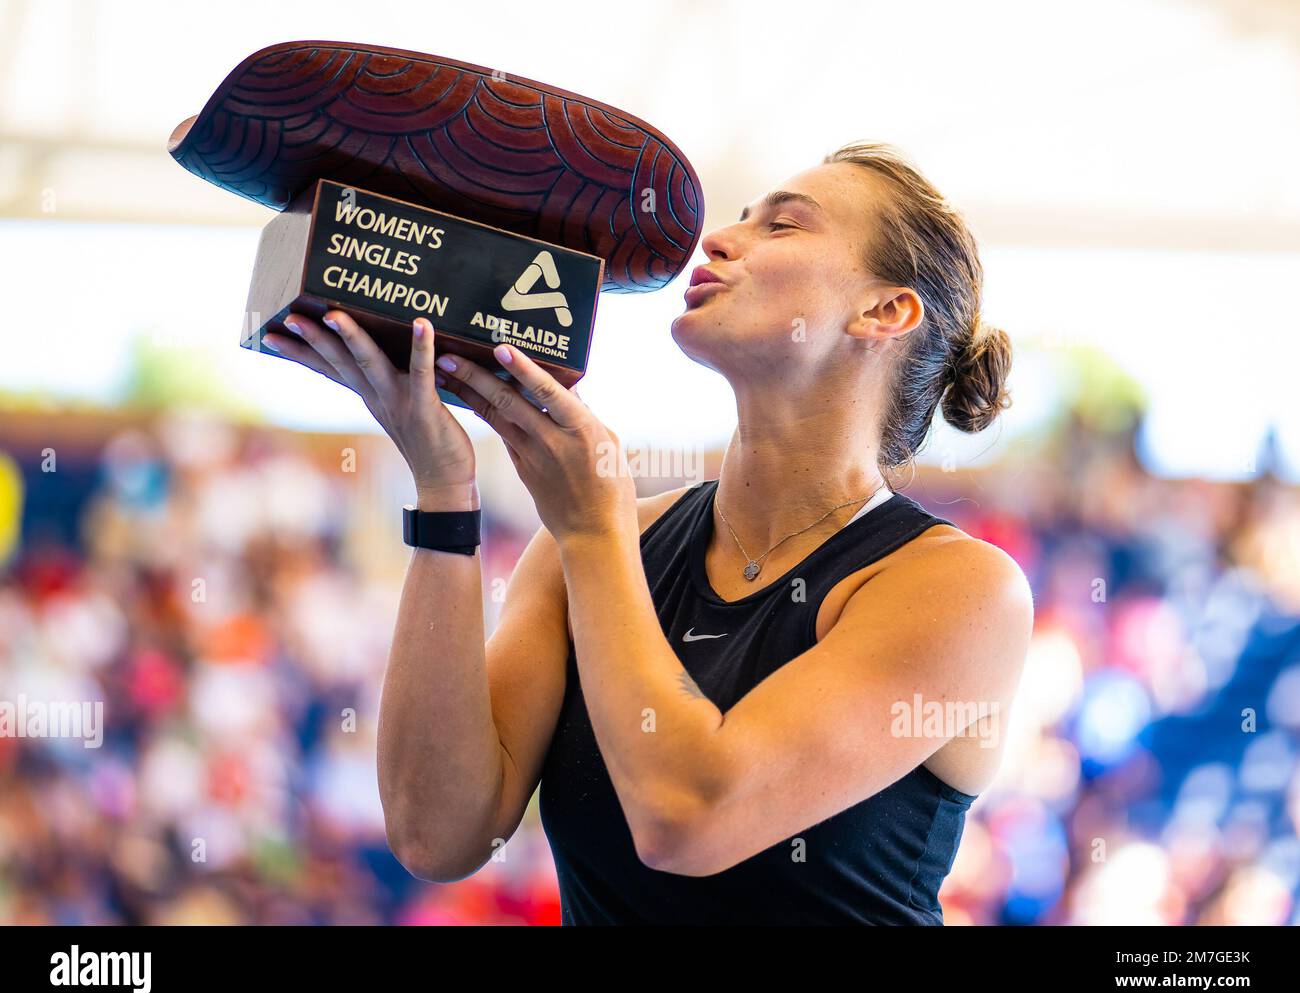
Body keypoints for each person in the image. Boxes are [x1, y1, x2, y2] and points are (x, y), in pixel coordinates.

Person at [262, 141, 1035, 925]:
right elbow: (437, 832)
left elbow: (690, 815)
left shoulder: (961, 590)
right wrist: (443, 490)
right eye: (739, 220)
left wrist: (595, 534)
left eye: (783, 226)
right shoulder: (591, 541)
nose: (720, 240)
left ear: (883, 311)